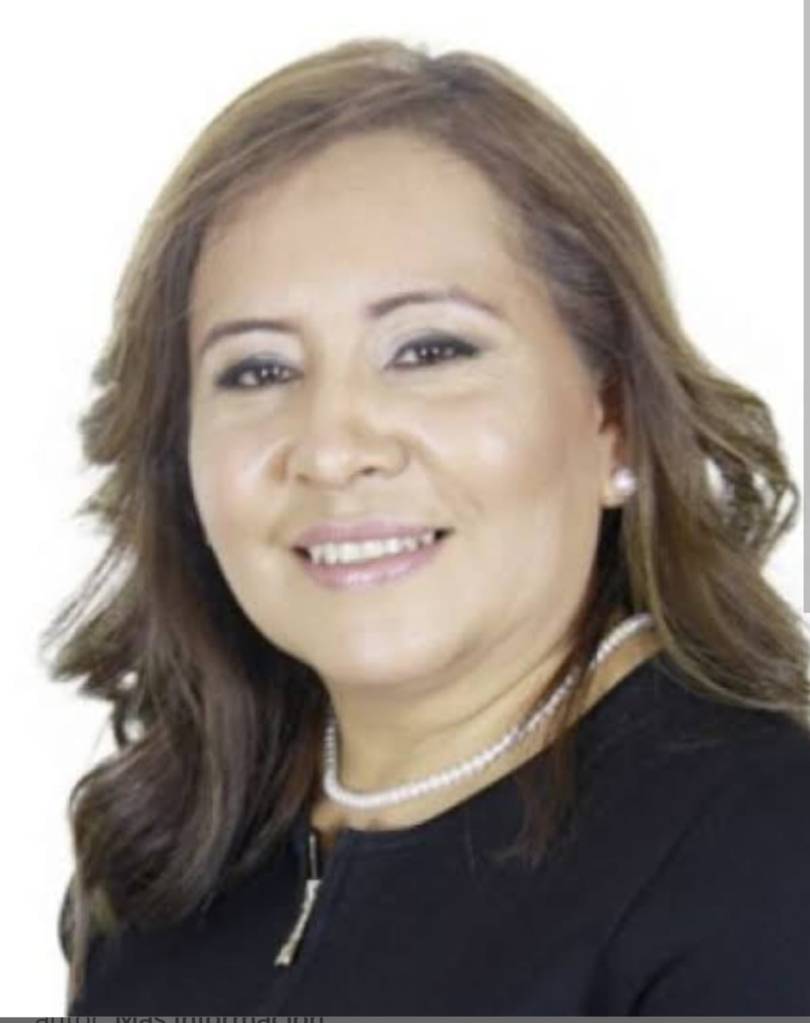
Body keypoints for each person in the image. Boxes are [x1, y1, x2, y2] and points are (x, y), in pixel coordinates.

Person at [44, 37, 810, 1015]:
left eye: (429, 351)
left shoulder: (764, 854)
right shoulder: (162, 863)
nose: (332, 447)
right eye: (259, 369)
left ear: (615, 418)